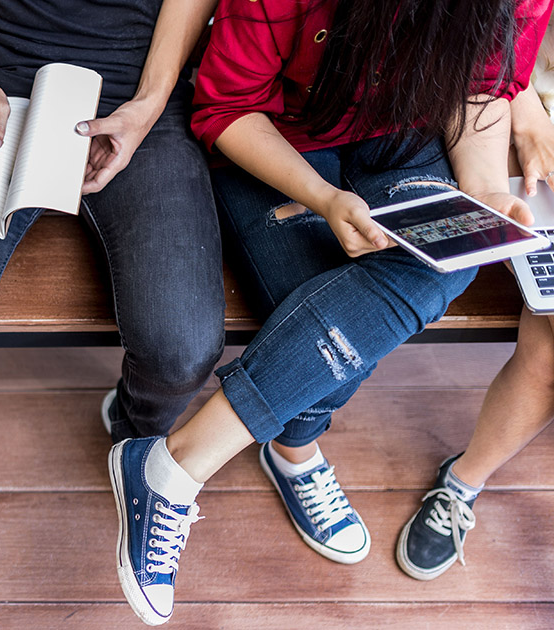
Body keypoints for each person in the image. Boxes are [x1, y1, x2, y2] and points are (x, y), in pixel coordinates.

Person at [109, 0, 552, 625]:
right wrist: (322, 197)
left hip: (406, 138)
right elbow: (227, 108)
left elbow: (480, 90)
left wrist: (484, 194)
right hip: (278, 140)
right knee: (321, 317)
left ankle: (177, 465)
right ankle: (293, 447)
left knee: (445, 263)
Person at [0, 0, 226, 562]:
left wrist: (147, 104)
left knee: (182, 346)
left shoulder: (145, 100)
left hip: (138, 91)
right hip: (1, 82)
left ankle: (134, 429)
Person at [395, 76, 554, 581]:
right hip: (512, 113)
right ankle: (462, 482)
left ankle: (462, 482)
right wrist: (527, 109)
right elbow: (487, 36)